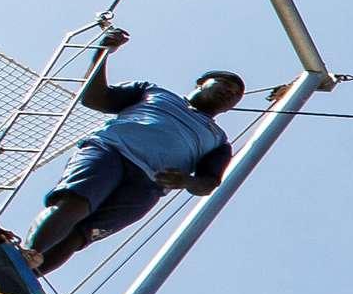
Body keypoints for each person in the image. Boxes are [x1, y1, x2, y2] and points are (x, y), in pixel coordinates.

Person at [24, 30, 249, 273]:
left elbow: (207, 183)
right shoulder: (153, 93)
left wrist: (185, 180)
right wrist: (102, 53)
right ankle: (28, 254)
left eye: (236, 95)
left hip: (146, 186)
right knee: (76, 204)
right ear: (201, 83)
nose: (230, 92)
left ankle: (26, 278)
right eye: (226, 84)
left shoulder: (218, 141)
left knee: (82, 234)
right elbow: (95, 98)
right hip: (111, 153)